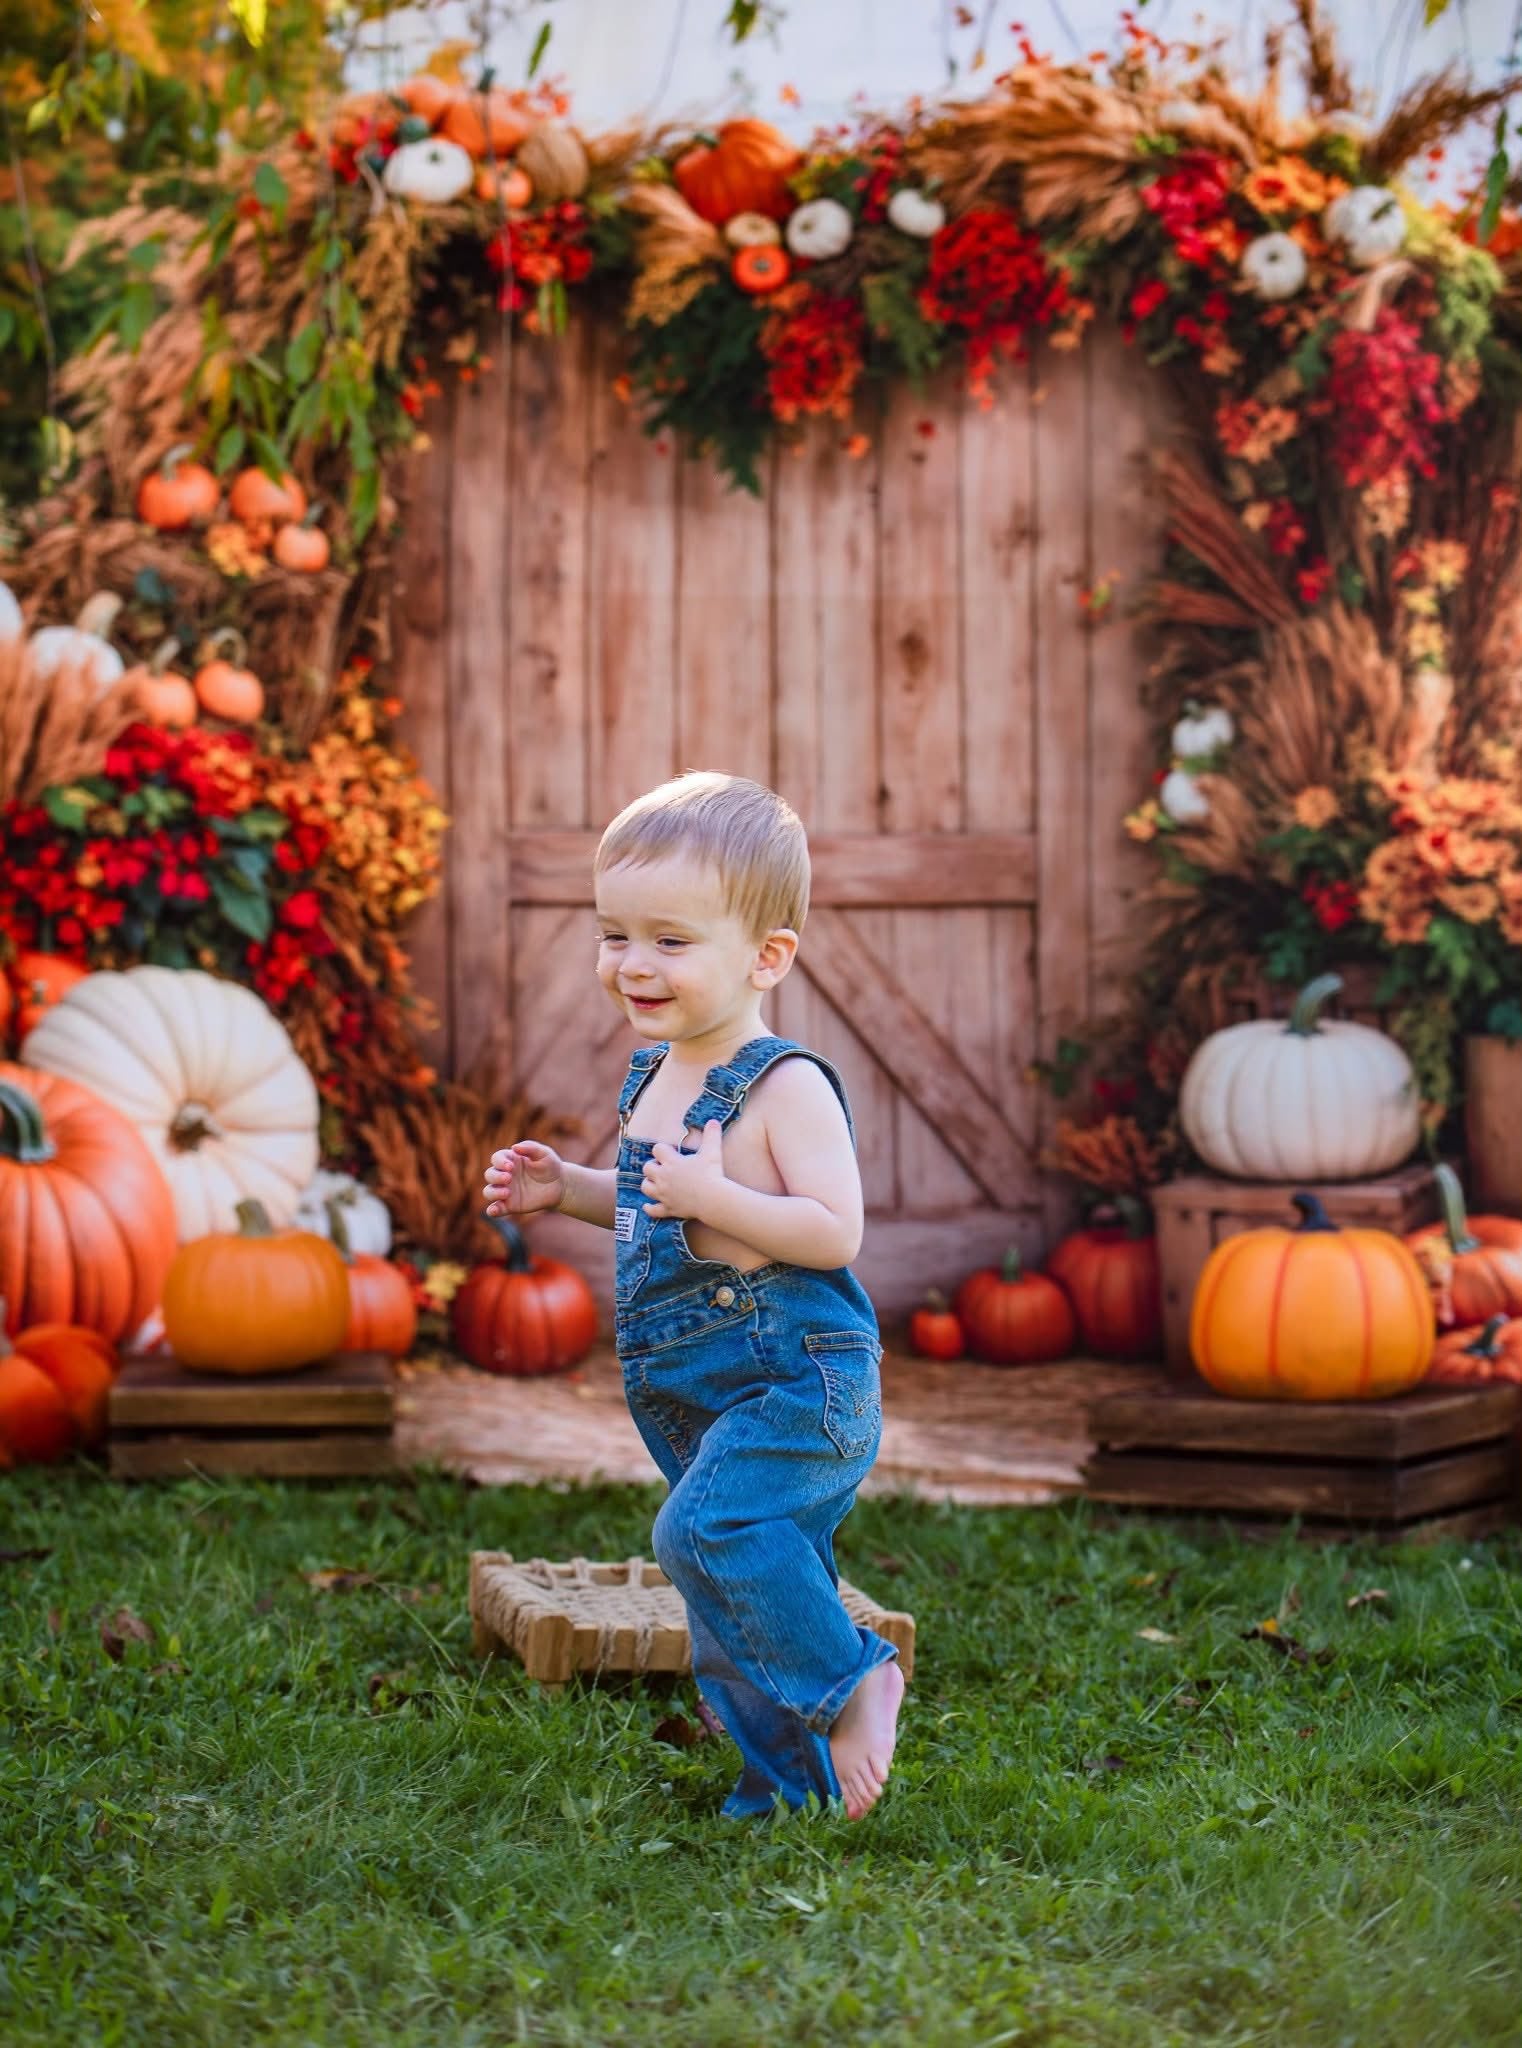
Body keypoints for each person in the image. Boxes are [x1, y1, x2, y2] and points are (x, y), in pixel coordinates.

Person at [481, 770, 903, 1821]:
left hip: (798, 1382)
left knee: (697, 1532)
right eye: (614, 933)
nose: (633, 962)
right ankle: (784, 1789)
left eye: (670, 939)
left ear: (766, 956)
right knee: (727, 1597)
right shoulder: (655, 1070)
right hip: (702, 1389)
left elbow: (833, 1230)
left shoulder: (783, 1084)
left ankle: (860, 1677)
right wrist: (564, 1188)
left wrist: (717, 1191)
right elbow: (649, 1203)